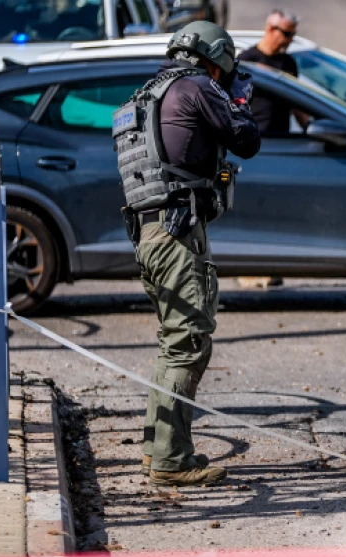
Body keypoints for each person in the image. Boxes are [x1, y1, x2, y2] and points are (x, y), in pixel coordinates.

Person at [112, 21, 261, 487]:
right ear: (217, 59)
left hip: (149, 232)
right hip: (178, 235)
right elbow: (247, 139)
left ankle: (158, 449)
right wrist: (238, 98)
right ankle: (171, 461)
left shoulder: (144, 95)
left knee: (172, 342)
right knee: (189, 344)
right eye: (226, 69)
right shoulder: (197, 85)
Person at [238, 9, 309, 134]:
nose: (290, 39)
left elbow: (296, 103)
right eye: (287, 34)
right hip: (254, 136)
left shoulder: (288, 62)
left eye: (293, 34)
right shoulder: (246, 60)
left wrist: (310, 129)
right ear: (271, 29)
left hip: (280, 138)